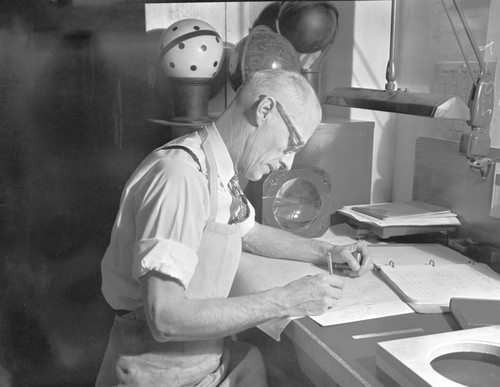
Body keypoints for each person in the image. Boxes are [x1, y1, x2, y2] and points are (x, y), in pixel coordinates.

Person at [96, 69, 373, 387]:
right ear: (265, 109)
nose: (287, 164)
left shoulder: (218, 169)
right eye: (291, 144)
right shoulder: (180, 177)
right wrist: (285, 300)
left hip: (203, 356)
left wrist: (329, 251)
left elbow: (250, 232)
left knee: (267, 364)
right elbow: (165, 318)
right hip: (157, 368)